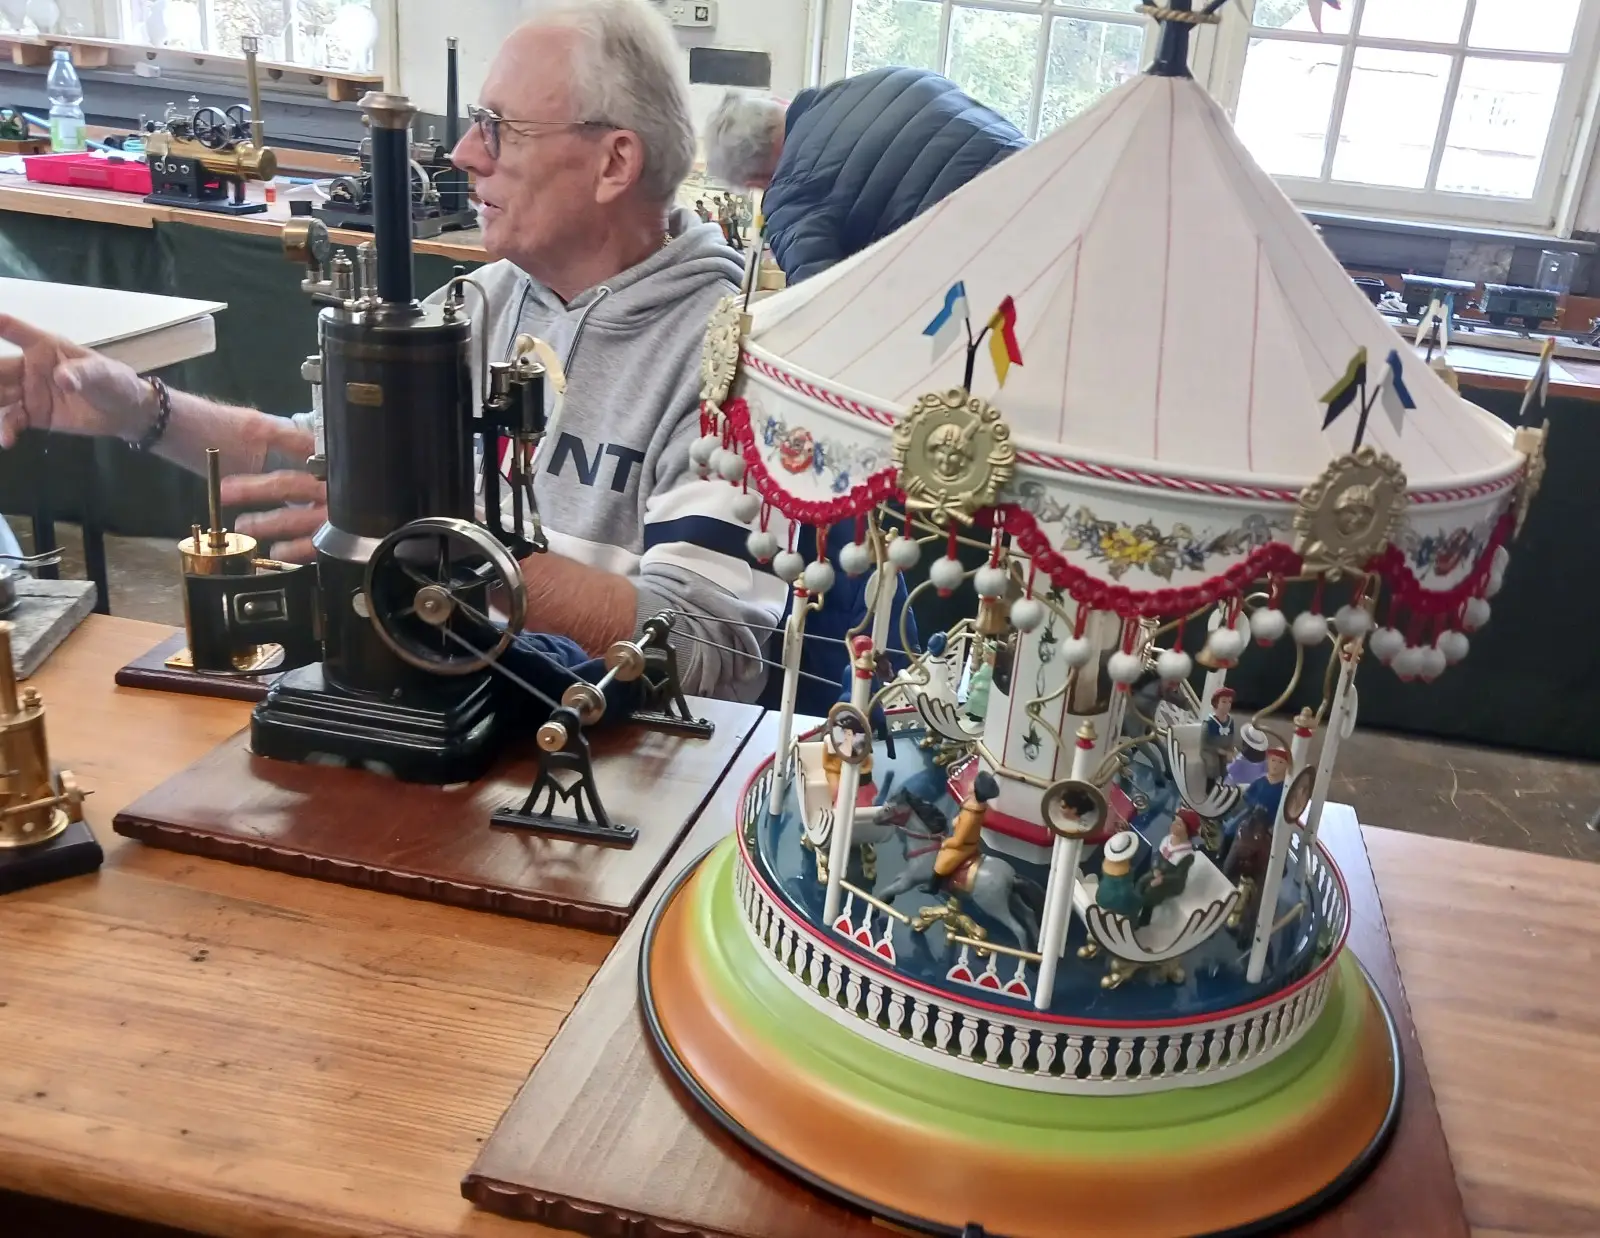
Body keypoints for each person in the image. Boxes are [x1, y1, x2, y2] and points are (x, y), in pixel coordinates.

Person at [0, 0, 786, 704]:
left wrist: (440, 551)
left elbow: (704, 647)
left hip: (611, 761)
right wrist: (137, 406)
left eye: (499, 128)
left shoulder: (733, 364)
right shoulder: (482, 303)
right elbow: (320, 462)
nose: (465, 154)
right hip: (456, 710)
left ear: (615, 162)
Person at [703, 68, 1027, 285]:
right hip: (1038, 172)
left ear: (755, 183)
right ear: (781, 105)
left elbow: (822, 311)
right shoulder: (884, 78)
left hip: (1003, 252)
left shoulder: (789, 200)